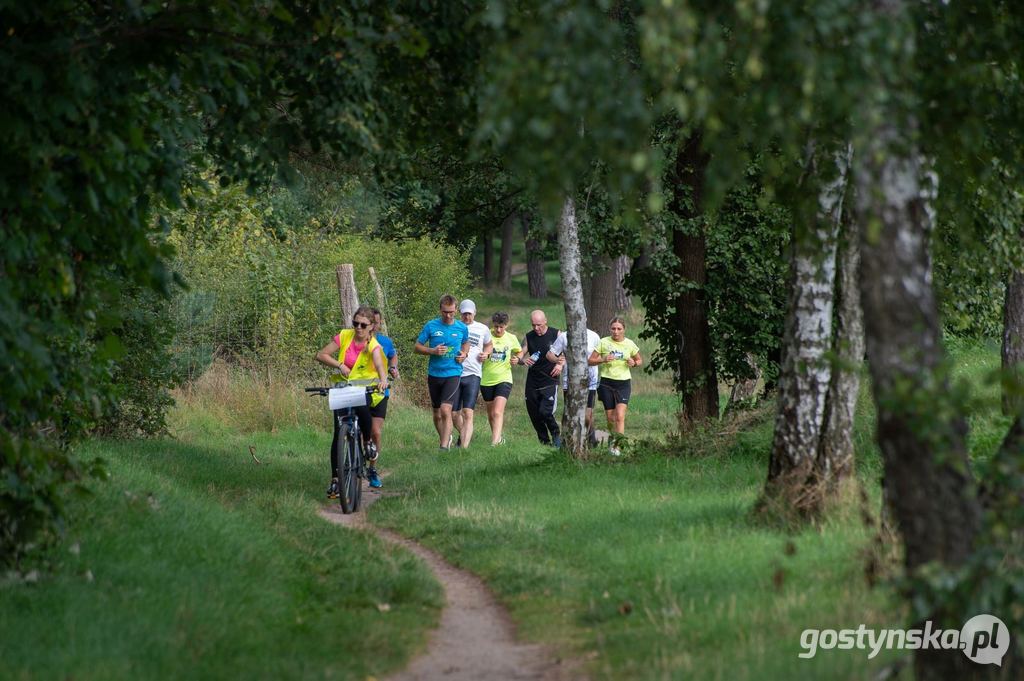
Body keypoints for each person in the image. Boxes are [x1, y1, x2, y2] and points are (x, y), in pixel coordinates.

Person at [315, 305, 389, 495]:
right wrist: (339, 365)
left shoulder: (373, 344)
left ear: (371, 326)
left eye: (363, 325)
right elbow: (321, 354)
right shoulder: (345, 336)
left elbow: (380, 364)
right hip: (342, 389)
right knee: (338, 433)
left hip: (363, 390)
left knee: (363, 410)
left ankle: (366, 443)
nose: (358, 328)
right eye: (355, 323)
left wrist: (383, 380)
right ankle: (335, 480)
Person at [414, 294, 470, 451]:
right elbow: (417, 347)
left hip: (453, 373)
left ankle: (443, 448)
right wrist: (432, 350)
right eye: (445, 312)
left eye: (451, 312)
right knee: (437, 414)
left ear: (456, 310)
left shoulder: (461, 327)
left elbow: (466, 343)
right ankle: (447, 437)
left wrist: (464, 354)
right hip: (434, 374)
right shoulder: (431, 326)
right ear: (440, 310)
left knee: (446, 410)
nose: (448, 315)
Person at [589, 316, 642, 455]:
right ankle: (613, 441)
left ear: (624, 329)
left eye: (619, 329)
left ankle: (618, 445)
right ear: (609, 329)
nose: (616, 331)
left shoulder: (629, 344)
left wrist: (634, 363)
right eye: (613, 328)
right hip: (606, 382)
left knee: (620, 416)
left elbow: (639, 360)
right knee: (610, 418)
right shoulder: (603, 342)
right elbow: (590, 360)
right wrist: (603, 359)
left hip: (623, 383)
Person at [451, 299, 493, 449]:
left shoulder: (482, 328)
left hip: (473, 374)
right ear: (459, 313)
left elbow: (489, 345)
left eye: (469, 314)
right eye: (464, 314)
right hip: (454, 373)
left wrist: (486, 354)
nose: (467, 317)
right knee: (454, 414)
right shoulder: (454, 326)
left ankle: (464, 448)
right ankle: (464, 434)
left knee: (468, 412)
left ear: (474, 313)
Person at [366, 308, 400, 486]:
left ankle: (372, 469)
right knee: (359, 432)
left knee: (376, 432)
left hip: (380, 393)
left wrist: (393, 368)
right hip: (358, 392)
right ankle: (352, 463)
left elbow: (393, 356)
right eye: (370, 322)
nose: (373, 326)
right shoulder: (357, 341)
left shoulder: (385, 342)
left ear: (379, 324)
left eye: (376, 322)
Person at [480, 311, 523, 446]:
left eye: (501, 327)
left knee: (497, 412)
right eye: (496, 326)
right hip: (486, 379)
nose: (498, 330)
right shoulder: (486, 337)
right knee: (491, 414)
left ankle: (494, 443)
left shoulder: (511, 338)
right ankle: (498, 438)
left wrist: (518, 358)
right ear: (493, 325)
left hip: (504, 378)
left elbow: (519, 351)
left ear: (506, 325)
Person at [549, 326, 601, 436]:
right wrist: (557, 360)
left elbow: (599, 356)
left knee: (587, 414)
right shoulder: (564, 336)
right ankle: (569, 440)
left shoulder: (594, 336)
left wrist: (598, 361)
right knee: (570, 413)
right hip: (570, 382)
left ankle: (591, 437)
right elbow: (550, 354)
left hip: (590, 381)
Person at [522, 309, 564, 447]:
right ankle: (544, 442)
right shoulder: (529, 336)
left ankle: (556, 433)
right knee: (534, 414)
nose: (536, 328)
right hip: (533, 380)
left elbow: (566, 354)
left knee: (545, 411)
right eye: (533, 325)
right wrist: (522, 360)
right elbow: (520, 354)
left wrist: (560, 365)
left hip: (550, 379)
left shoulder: (556, 334)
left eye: (539, 325)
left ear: (545, 321)